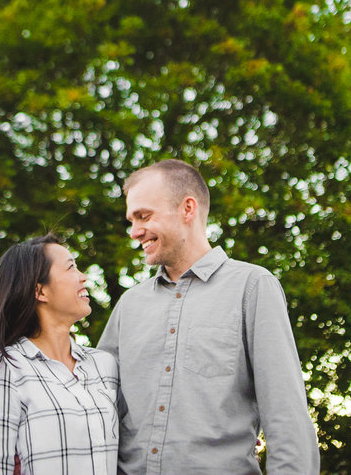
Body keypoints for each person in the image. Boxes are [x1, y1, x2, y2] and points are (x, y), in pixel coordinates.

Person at [98, 160, 320, 475]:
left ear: (187, 209)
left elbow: (287, 415)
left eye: (143, 216)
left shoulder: (253, 287)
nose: (134, 232)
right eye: (131, 220)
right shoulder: (129, 305)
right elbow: (96, 407)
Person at [0, 233, 119, 475]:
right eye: (71, 268)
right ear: (40, 291)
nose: (83, 277)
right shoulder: (8, 367)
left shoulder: (103, 364)